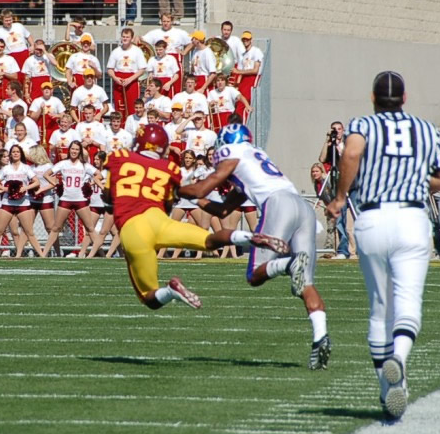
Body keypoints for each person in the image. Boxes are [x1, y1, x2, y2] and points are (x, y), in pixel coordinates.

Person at [325, 71, 440, 422]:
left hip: (373, 218)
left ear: (372, 97)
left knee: (379, 307)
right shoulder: (426, 128)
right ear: (405, 97)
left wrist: (340, 196)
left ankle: (387, 388)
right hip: (412, 219)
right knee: (408, 301)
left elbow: (351, 153)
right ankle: (399, 356)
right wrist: (413, 178)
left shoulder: (363, 125)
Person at [180, 122, 331, 368]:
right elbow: (223, 209)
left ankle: (289, 264)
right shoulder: (254, 157)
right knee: (305, 281)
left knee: (254, 275)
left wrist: (176, 189)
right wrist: (196, 200)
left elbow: (204, 185)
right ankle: (320, 336)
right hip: (301, 206)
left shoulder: (232, 152)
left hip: (278, 204)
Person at [104, 123, 288, 310]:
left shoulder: (120, 157)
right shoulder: (169, 167)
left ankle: (171, 290)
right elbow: (166, 204)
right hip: (158, 220)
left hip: (133, 227)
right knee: (209, 240)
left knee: (149, 298)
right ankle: (249, 237)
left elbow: (107, 196)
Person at [107, 28, 147, 117]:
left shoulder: (137, 51)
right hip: (118, 80)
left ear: (132, 38)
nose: (125, 39)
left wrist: (130, 79)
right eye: (123, 37)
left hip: (132, 80)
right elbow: (110, 69)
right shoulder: (115, 51)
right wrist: (115, 78)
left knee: (133, 106)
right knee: (120, 106)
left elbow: (142, 69)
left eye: (127, 37)